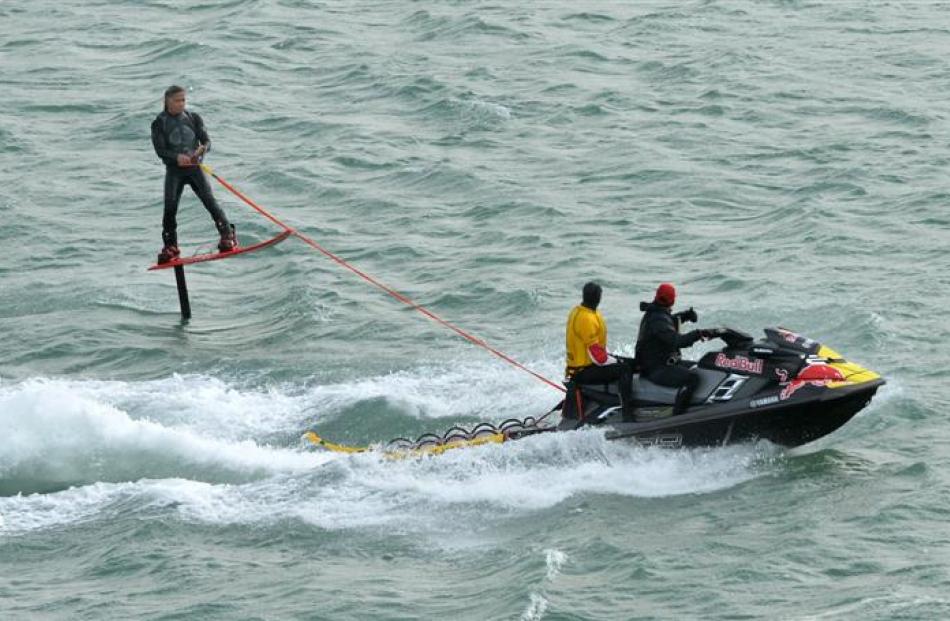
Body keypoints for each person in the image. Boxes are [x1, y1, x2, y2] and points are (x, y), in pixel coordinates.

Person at [151, 85, 236, 264]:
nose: (182, 104)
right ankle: (170, 246)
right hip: (174, 173)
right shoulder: (159, 123)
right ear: (168, 101)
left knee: (210, 202)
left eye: (184, 100)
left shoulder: (193, 118)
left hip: (195, 170)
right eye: (178, 100)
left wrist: (201, 150)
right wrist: (176, 157)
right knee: (169, 209)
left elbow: (207, 141)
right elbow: (160, 150)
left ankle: (227, 235)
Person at [635, 282, 711, 415]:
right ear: (672, 300)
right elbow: (677, 341)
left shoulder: (656, 313)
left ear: (657, 296)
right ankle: (678, 414)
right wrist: (698, 334)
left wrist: (686, 315)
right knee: (693, 379)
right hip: (656, 369)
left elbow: (668, 321)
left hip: (663, 363)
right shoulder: (656, 319)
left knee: (701, 367)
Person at [563, 281, 634, 422]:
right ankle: (627, 413)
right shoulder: (586, 319)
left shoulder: (579, 310)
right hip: (583, 371)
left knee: (629, 362)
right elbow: (599, 358)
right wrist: (618, 361)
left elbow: (597, 352)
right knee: (625, 369)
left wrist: (615, 358)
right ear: (598, 298)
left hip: (585, 365)